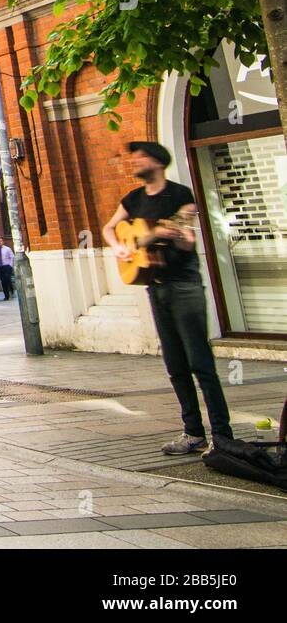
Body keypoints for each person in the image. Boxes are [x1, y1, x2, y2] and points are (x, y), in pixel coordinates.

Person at [102, 140, 231, 456]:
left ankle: (223, 436)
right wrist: (119, 247)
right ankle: (193, 433)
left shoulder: (181, 196)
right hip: (155, 286)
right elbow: (109, 228)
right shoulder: (133, 199)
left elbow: (186, 242)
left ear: (157, 162)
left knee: (200, 362)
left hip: (184, 285)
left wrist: (167, 233)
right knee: (175, 364)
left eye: (141, 157)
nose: (135, 162)